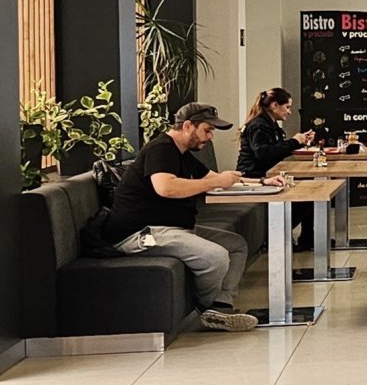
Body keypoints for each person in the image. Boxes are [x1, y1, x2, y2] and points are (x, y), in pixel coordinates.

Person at [103, 102, 264, 331]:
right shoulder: (161, 149)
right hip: (141, 234)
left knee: (236, 245)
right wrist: (215, 182)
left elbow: (216, 178)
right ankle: (207, 309)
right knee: (215, 256)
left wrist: (262, 182)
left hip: (172, 228)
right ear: (188, 126)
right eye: (207, 130)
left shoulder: (182, 154)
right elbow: (165, 187)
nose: (210, 137)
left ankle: (221, 305)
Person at [237, 88, 318, 249]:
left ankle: (306, 239)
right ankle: (276, 235)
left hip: (267, 174)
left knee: (311, 192)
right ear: (275, 105)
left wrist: (299, 141)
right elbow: (264, 154)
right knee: (309, 198)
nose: (289, 112)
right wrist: (294, 142)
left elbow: (276, 149)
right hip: (254, 178)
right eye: (287, 107)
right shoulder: (258, 125)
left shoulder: (270, 124)